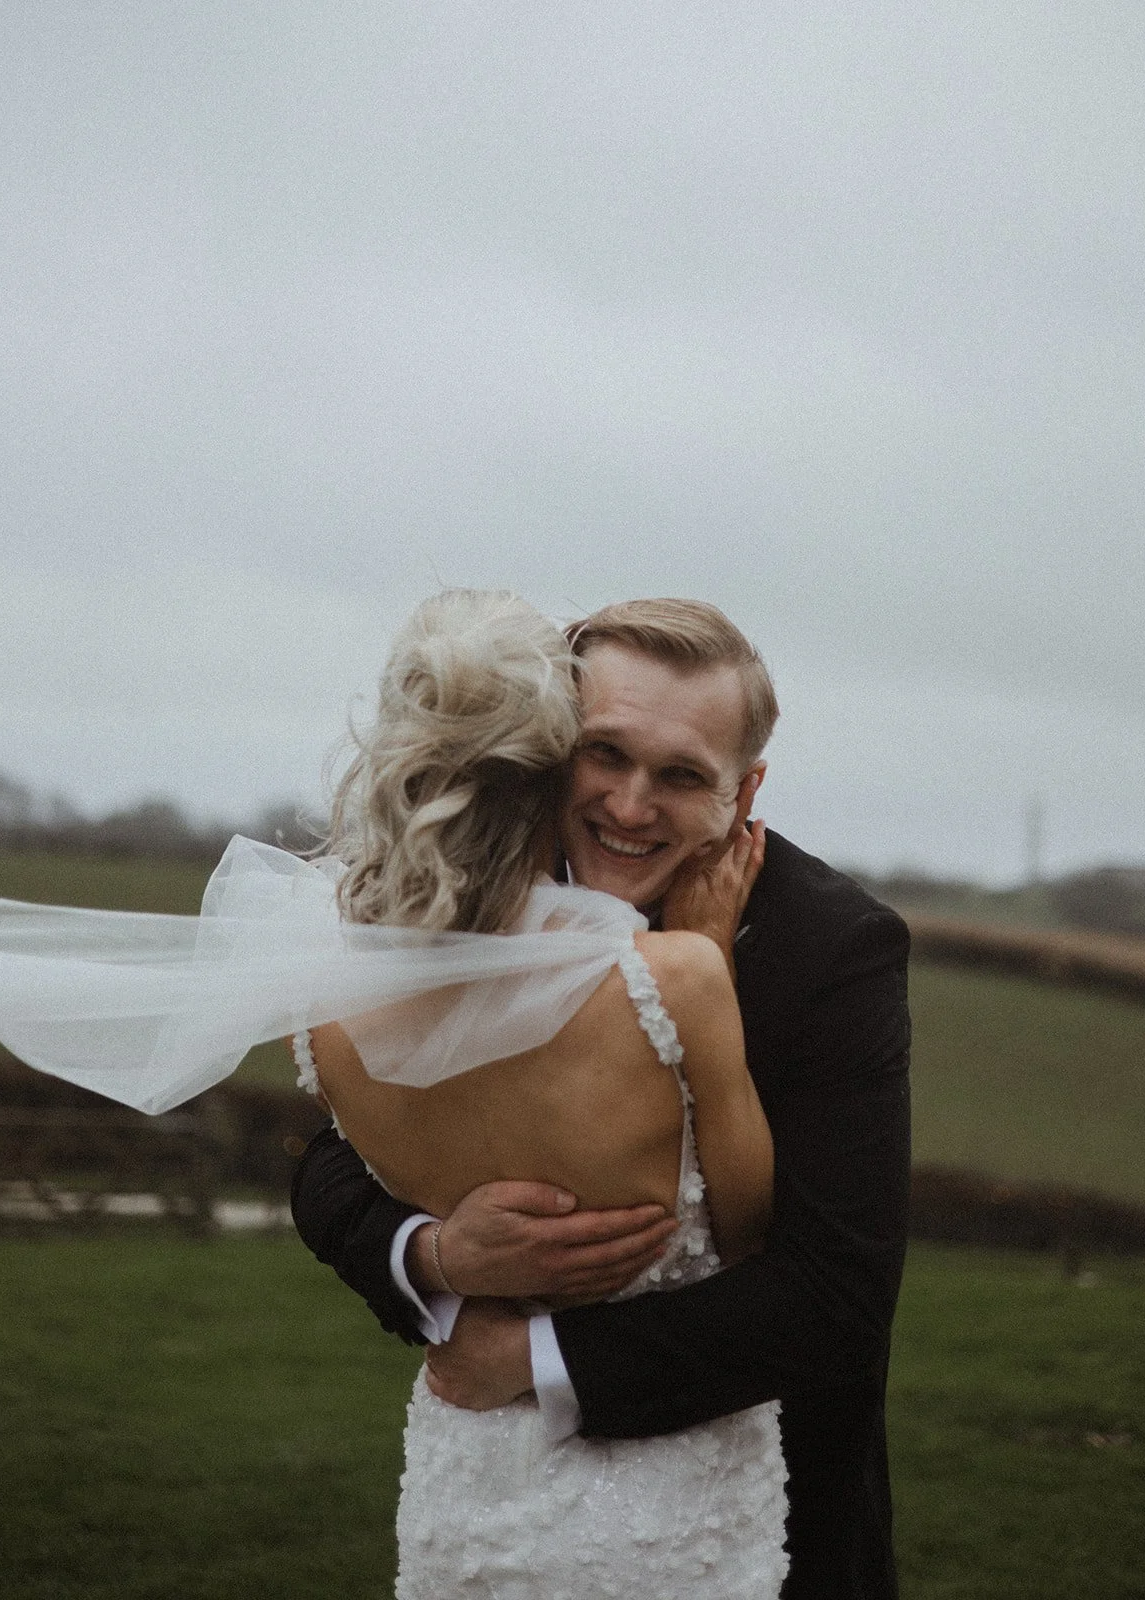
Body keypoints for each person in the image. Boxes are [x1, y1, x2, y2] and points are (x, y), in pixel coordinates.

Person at [293, 597, 913, 1600]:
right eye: (604, 755)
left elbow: (835, 1296)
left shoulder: (830, 947)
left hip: (745, 1528)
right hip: (487, 1508)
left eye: (678, 775)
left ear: (744, 787)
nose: (629, 806)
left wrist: (530, 1355)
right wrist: (437, 1256)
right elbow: (328, 1162)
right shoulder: (465, 890)